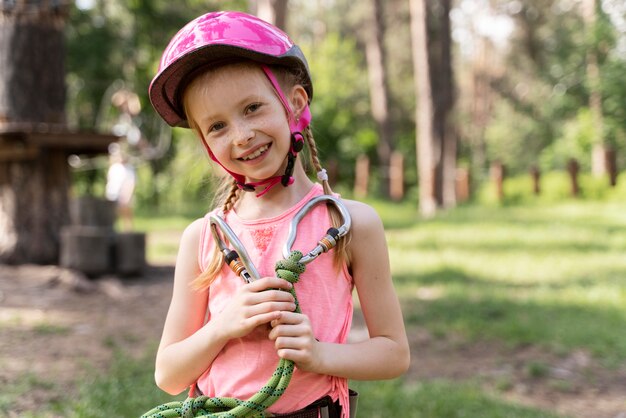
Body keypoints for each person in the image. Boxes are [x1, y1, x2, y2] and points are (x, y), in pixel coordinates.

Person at [148, 11, 409, 418]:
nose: (241, 135)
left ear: (295, 104)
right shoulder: (203, 237)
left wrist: (319, 355)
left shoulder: (351, 225)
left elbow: (393, 353)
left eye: (252, 107)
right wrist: (224, 325)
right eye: (216, 126)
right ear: (205, 143)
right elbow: (168, 373)